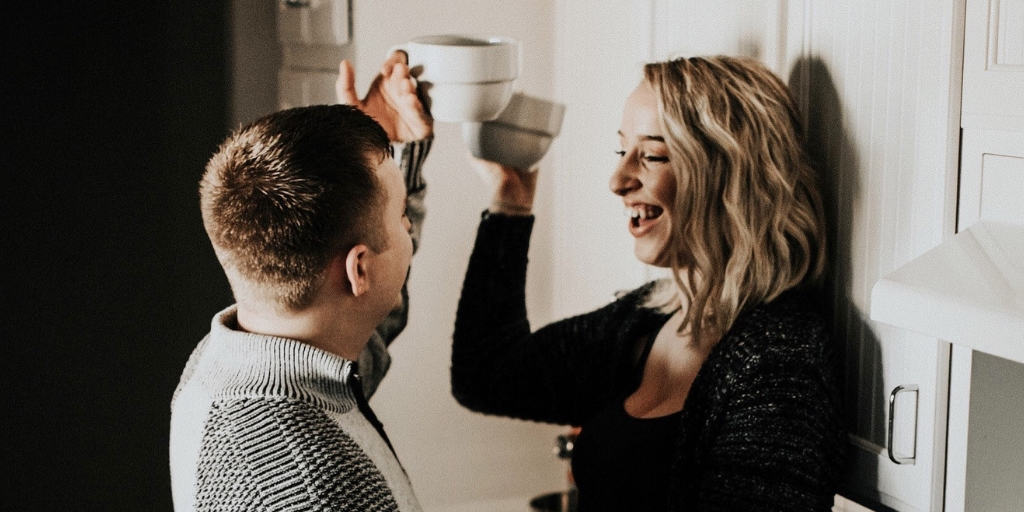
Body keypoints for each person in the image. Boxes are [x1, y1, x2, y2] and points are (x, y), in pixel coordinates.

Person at [452, 56, 844, 510]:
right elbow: (488, 375)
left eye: (653, 155)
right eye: (622, 152)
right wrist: (511, 203)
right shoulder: (647, 319)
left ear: (731, 175)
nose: (618, 181)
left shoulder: (780, 362)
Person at [170, 51, 432, 511]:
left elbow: (369, 326)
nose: (409, 229)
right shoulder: (323, 490)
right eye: (403, 218)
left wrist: (379, 148)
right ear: (358, 269)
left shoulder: (228, 365)